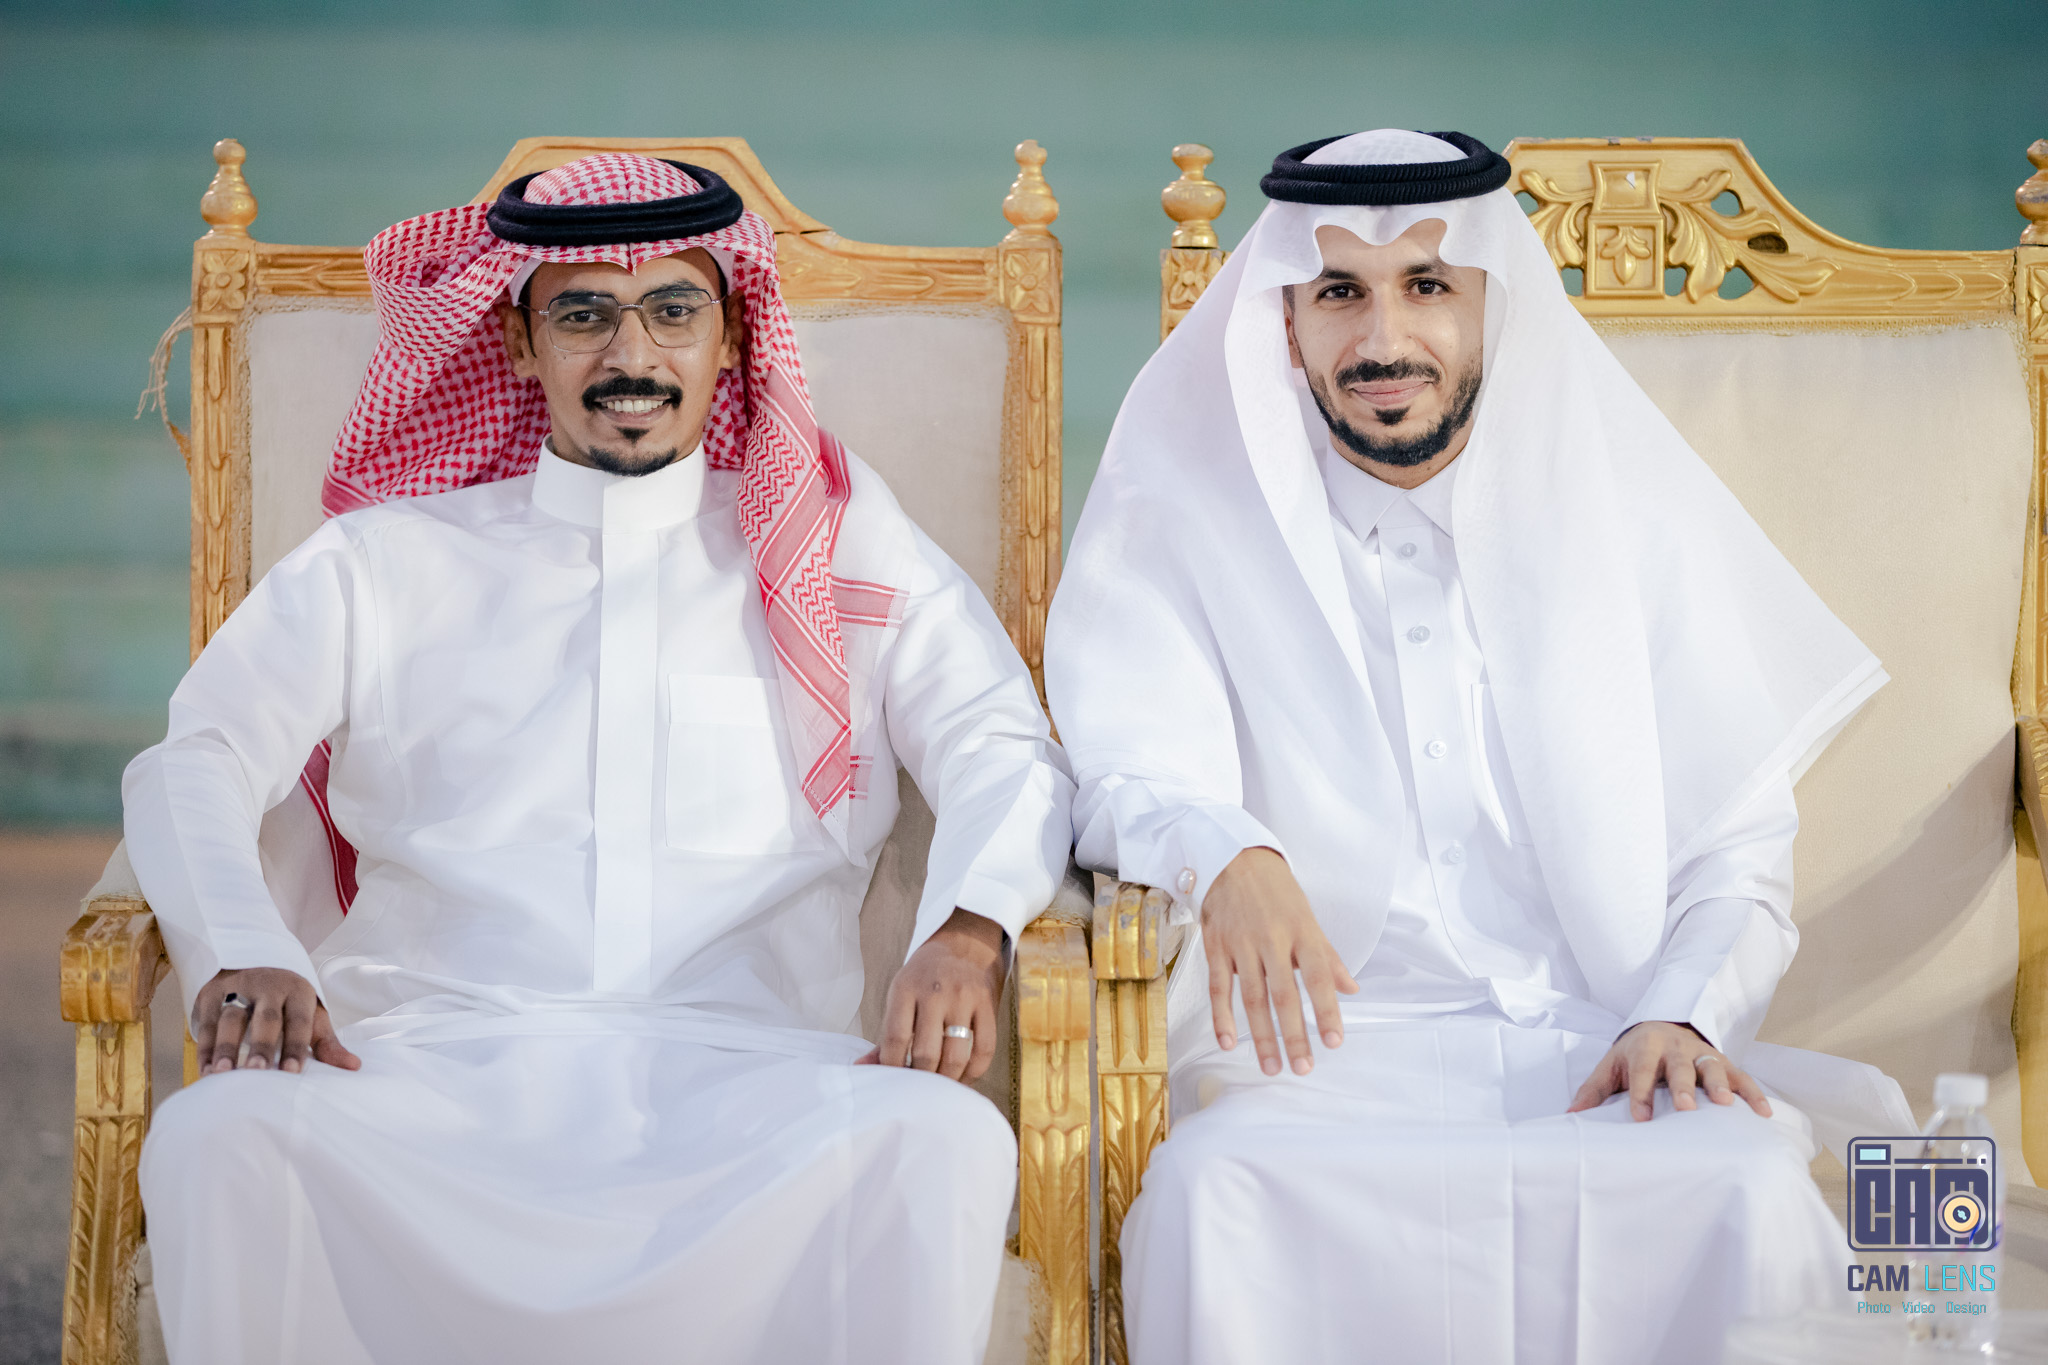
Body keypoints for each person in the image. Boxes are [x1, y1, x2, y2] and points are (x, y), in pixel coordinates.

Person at [125, 153, 1074, 1365]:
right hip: (425, 1073)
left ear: (732, 337)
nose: (632, 356)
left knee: (938, 1142)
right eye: (582, 316)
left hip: (753, 1090)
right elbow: (197, 755)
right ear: (517, 345)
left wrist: (969, 929)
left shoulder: (837, 550)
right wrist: (240, 945)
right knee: (218, 1138)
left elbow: (1003, 744)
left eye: (673, 310)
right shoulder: (386, 561)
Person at [1044, 129, 1912, 1365]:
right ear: (1282, 321)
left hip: (1596, 1050)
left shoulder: (1627, 521)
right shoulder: (1190, 516)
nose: (1382, 339)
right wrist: (1225, 850)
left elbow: (1735, 855)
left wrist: (1682, 1017)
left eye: (1426, 287)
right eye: (1337, 293)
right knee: (1207, 1197)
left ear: (1491, 305)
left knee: (1745, 1190)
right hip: (1314, 1064)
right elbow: (1123, 772)